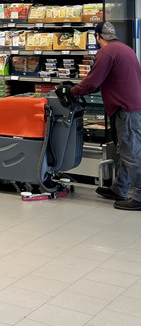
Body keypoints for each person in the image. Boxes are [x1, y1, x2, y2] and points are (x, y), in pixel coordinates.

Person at [65, 22, 141, 210]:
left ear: (97, 36)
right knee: (125, 150)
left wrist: (72, 91)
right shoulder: (125, 49)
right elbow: (108, 80)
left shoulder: (105, 53)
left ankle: (139, 196)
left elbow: (93, 81)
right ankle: (119, 189)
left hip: (126, 109)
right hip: (132, 107)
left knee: (131, 153)